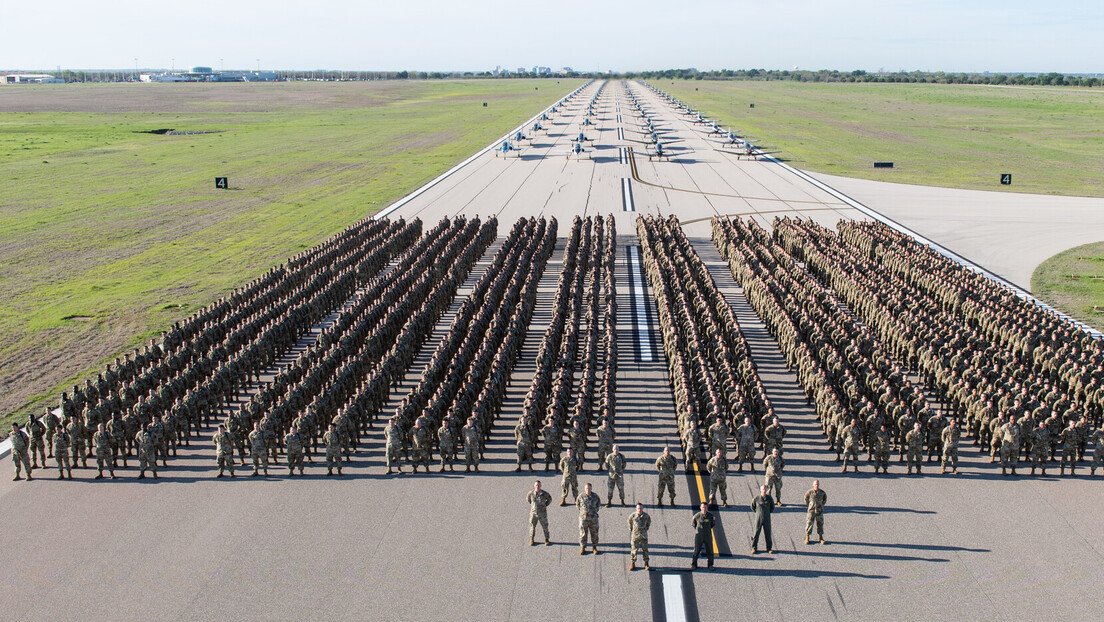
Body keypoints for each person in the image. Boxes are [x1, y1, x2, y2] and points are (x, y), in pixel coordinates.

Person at [577, 482, 602, 555]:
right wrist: (583, 512)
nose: (588, 490)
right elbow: (577, 505)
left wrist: (594, 511)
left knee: (594, 533)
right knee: (583, 533)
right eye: (586, 488)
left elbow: (598, 504)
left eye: (589, 488)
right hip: (583, 518)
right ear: (584, 489)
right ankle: (583, 547)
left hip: (593, 518)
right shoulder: (581, 496)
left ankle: (594, 548)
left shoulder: (595, 496)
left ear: (591, 489)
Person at [526, 480, 553, 546]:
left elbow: (549, 500)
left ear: (540, 486)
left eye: (539, 485)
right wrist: (533, 506)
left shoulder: (545, 494)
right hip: (533, 513)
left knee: (545, 526)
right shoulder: (531, 493)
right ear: (534, 486)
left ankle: (547, 539)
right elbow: (528, 500)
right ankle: (531, 539)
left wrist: (544, 505)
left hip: (542, 513)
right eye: (536, 485)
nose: (537, 486)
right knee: (532, 526)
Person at [751, 484, 776, 554]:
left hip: (767, 518)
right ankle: (754, 547)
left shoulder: (769, 498)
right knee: (756, 533)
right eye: (763, 489)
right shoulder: (756, 498)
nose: (764, 491)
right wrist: (758, 513)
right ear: (760, 490)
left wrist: (767, 513)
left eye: (765, 489)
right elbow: (753, 507)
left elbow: (772, 508)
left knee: (768, 533)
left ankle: (769, 548)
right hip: (758, 519)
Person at [627, 503, 652, 571]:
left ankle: (646, 563)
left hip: (643, 536)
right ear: (636, 509)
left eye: (641, 508)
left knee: (645, 550)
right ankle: (633, 563)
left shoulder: (646, 516)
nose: (639, 510)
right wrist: (631, 529)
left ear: (642, 509)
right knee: (634, 550)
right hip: (635, 536)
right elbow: (629, 522)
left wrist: (645, 529)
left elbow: (648, 523)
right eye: (638, 508)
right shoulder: (633, 516)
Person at [690, 502, 715, 569]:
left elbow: (712, 524)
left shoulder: (711, 516)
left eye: (705, 507)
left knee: (710, 550)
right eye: (703, 507)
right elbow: (694, 524)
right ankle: (694, 564)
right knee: (696, 550)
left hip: (708, 536)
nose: (704, 509)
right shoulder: (696, 516)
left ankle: (710, 565)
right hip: (699, 536)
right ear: (700, 508)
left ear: (707, 508)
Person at [803, 480, 827, 545]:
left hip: (819, 511)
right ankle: (807, 537)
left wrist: (821, 505)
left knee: (820, 524)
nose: (817, 485)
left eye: (818, 484)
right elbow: (806, 499)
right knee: (809, 524)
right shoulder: (809, 492)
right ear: (813, 485)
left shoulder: (822, 492)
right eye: (815, 484)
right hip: (811, 511)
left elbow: (824, 500)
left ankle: (821, 537)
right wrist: (810, 505)